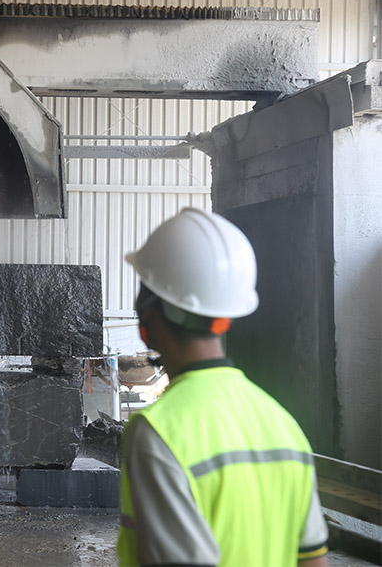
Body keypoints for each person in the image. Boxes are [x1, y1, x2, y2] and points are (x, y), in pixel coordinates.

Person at [117, 207, 329, 566]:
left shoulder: (157, 433)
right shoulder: (284, 425)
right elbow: (313, 560)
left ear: (151, 312)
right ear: (225, 317)